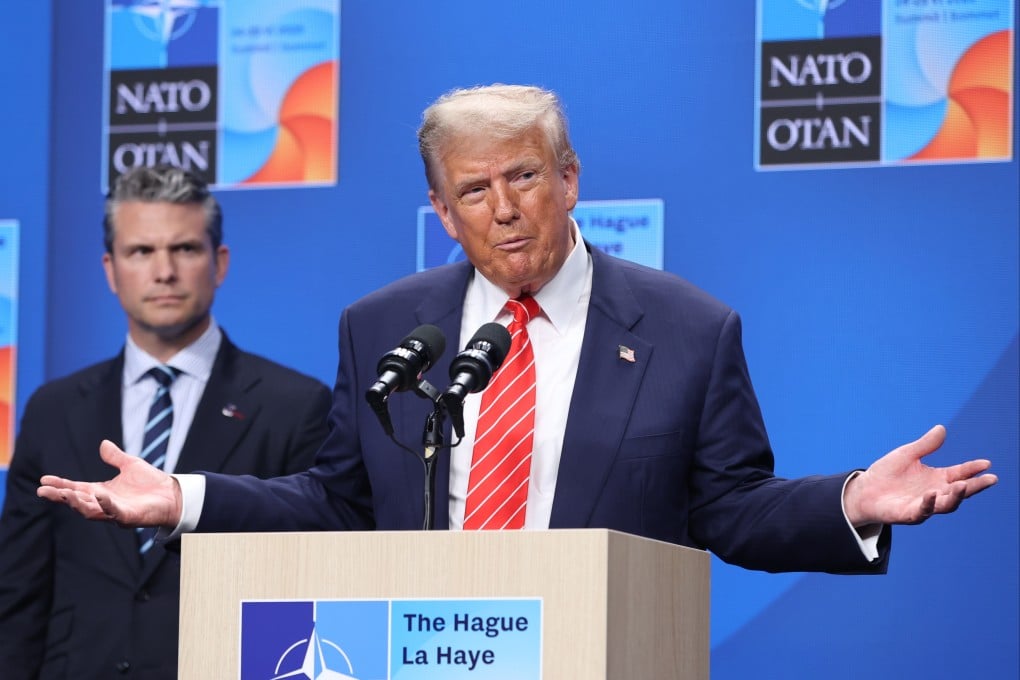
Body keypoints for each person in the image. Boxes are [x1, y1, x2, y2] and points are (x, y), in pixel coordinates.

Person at [37, 86, 996, 577]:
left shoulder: (687, 328)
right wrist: (186, 498)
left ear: (571, 178)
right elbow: (339, 504)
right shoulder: (383, 327)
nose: (503, 209)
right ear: (442, 212)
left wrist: (852, 505)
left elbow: (729, 509)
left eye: (524, 177)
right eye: (473, 190)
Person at [0, 165, 332, 679]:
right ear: (110, 269)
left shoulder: (295, 405)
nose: (164, 271)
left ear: (218, 263)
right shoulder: (54, 408)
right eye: (141, 252)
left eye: (184, 249)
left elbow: (310, 586)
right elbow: (19, 593)